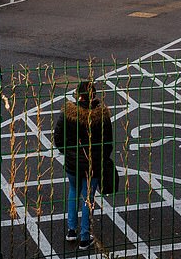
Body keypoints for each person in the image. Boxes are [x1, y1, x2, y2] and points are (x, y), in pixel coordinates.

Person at [53, 80, 114, 250]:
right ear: (94, 96)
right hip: (93, 165)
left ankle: (71, 230)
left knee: (73, 192)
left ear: (78, 96)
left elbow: (58, 137)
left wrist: (68, 152)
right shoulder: (102, 116)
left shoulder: (68, 114)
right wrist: (102, 158)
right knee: (88, 198)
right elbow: (108, 142)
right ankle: (85, 237)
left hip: (73, 164)